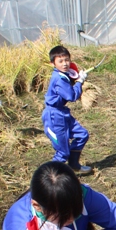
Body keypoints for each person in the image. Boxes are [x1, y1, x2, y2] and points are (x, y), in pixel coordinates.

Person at [42, 45, 92, 175]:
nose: (65, 64)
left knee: (82, 135)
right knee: (63, 152)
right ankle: (49, 177)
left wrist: (77, 77)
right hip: (54, 116)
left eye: (67, 60)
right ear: (53, 63)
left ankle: (74, 165)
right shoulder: (59, 79)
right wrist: (80, 82)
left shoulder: (63, 75)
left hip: (62, 113)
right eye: (60, 61)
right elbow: (72, 96)